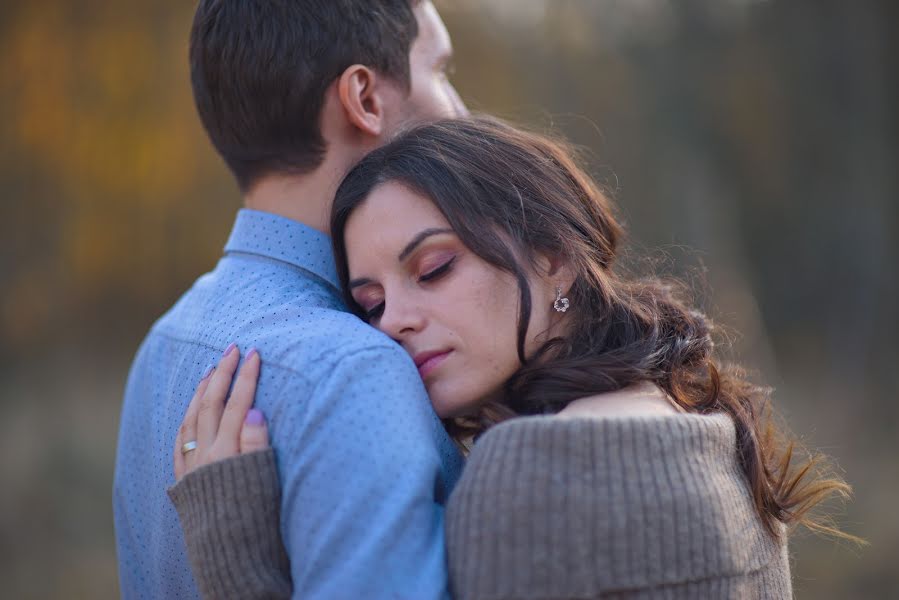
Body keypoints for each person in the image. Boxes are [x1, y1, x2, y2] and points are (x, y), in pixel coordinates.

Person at [168, 117, 854, 599]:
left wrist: (239, 566)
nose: (394, 322)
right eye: (370, 304)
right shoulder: (703, 422)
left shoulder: (530, 472)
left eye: (433, 268)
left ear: (554, 258)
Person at [112, 1, 468, 598]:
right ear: (365, 98)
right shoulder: (356, 373)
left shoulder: (162, 346)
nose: (460, 110)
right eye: (442, 71)